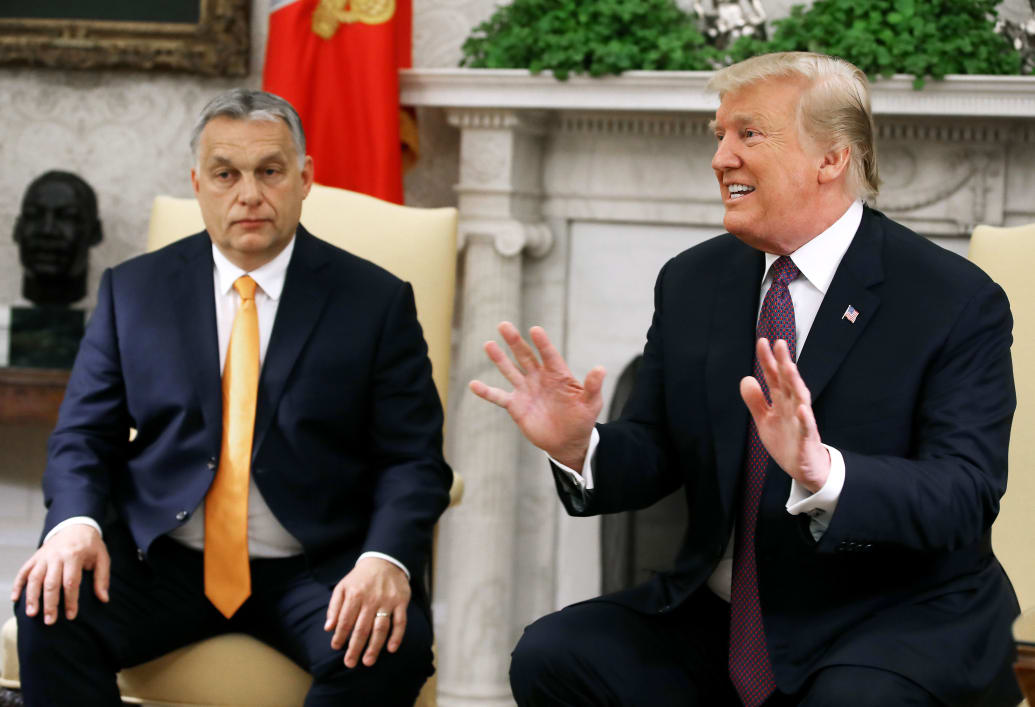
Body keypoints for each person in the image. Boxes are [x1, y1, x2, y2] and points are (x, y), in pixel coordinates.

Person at [472, 52, 1021, 706]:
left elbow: (964, 491)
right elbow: (655, 449)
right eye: (719, 135)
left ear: (831, 158)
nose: (720, 158)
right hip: (723, 616)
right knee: (554, 654)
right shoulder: (693, 279)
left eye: (748, 134)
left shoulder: (950, 297)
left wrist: (823, 471)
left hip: (891, 616)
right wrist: (577, 446)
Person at [12, 89, 452, 706]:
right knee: (49, 614)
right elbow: (84, 435)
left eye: (270, 171)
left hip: (317, 565)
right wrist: (74, 524)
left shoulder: (376, 302)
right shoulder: (132, 292)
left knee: (388, 652)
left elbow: (414, 460)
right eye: (226, 174)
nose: (249, 194)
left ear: (304, 179)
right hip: (159, 556)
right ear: (199, 183)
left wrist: (385, 558)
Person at [12, 170, 103, 306]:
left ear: (95, 233)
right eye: (34, 214)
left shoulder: (113, 325)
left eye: (67, 216)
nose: (47, 230)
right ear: (18, 229)